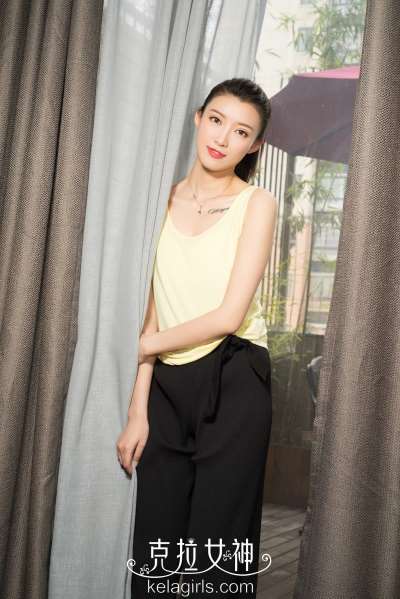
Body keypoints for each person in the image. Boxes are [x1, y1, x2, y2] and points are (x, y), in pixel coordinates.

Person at [117, 77, 278, 598]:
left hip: (235, 375)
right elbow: (150, 312)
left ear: (253, 146)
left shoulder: (257, 203)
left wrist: (142, 348)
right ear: (198, 119)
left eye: (241, 132)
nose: (222, 138)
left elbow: (229, 315)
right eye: (216, 120)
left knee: (216, 550)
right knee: (156, 546)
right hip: (167, 381)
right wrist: (138, 409)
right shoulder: (160, 200)